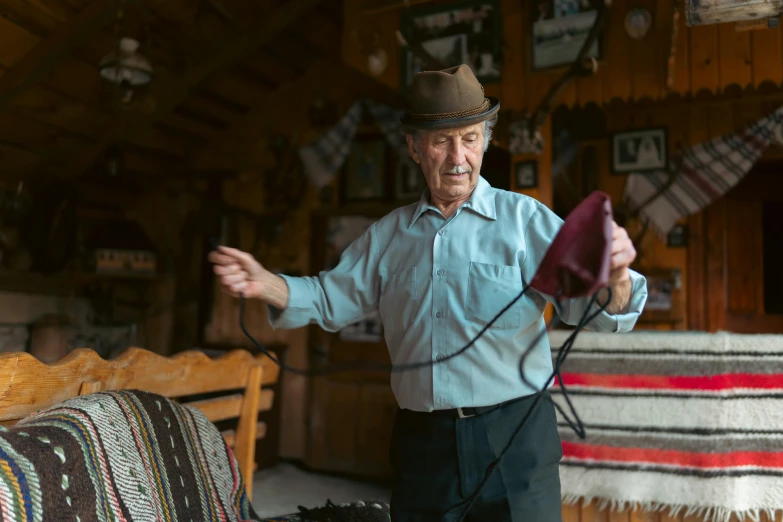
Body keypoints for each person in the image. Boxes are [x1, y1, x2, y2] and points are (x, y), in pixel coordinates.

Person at [208, 64, 648, 522]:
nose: (459, 157)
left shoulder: (527, 221)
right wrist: (267, 284)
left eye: (471, 138)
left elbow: (592, 310)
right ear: (415, 148)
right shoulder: (386, 237)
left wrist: (617, 277)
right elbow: (327, 298)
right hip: (424, 448)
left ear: (486, 140)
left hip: (516, 439)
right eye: (442, 141)